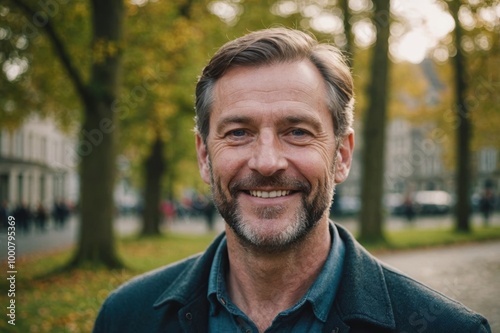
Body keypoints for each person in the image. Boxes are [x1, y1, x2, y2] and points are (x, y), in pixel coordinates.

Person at [93, 28, 490, 333]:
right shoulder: (126, 316)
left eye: (297, 131)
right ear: (204, 157)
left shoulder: (445, 327)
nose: (267, 162)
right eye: (238, 133)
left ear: (342, 155)